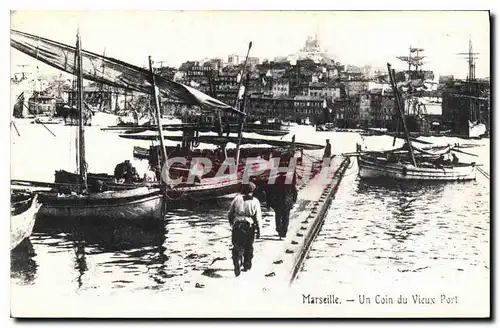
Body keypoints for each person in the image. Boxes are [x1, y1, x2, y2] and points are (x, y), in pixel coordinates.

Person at [227, 182, 262, 277]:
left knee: (237, 245)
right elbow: (258, 217)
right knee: (249, 246)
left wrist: (231, 222)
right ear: (252, 191)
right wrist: (259, 230)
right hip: (249, 225)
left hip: (237, 225)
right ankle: (247, 265)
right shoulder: (255, 201)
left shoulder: (237, 199)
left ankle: (237, 261)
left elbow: (230, 213)